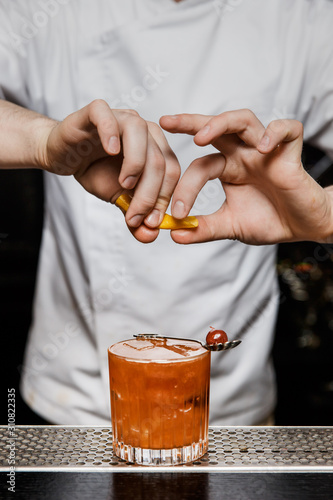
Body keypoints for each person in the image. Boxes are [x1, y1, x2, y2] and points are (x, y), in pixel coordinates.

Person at [0, 0, 332, 426]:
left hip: (231, 413)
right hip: (74, 405)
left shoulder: (302, 16)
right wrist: (43, 141)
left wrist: (324, 217)